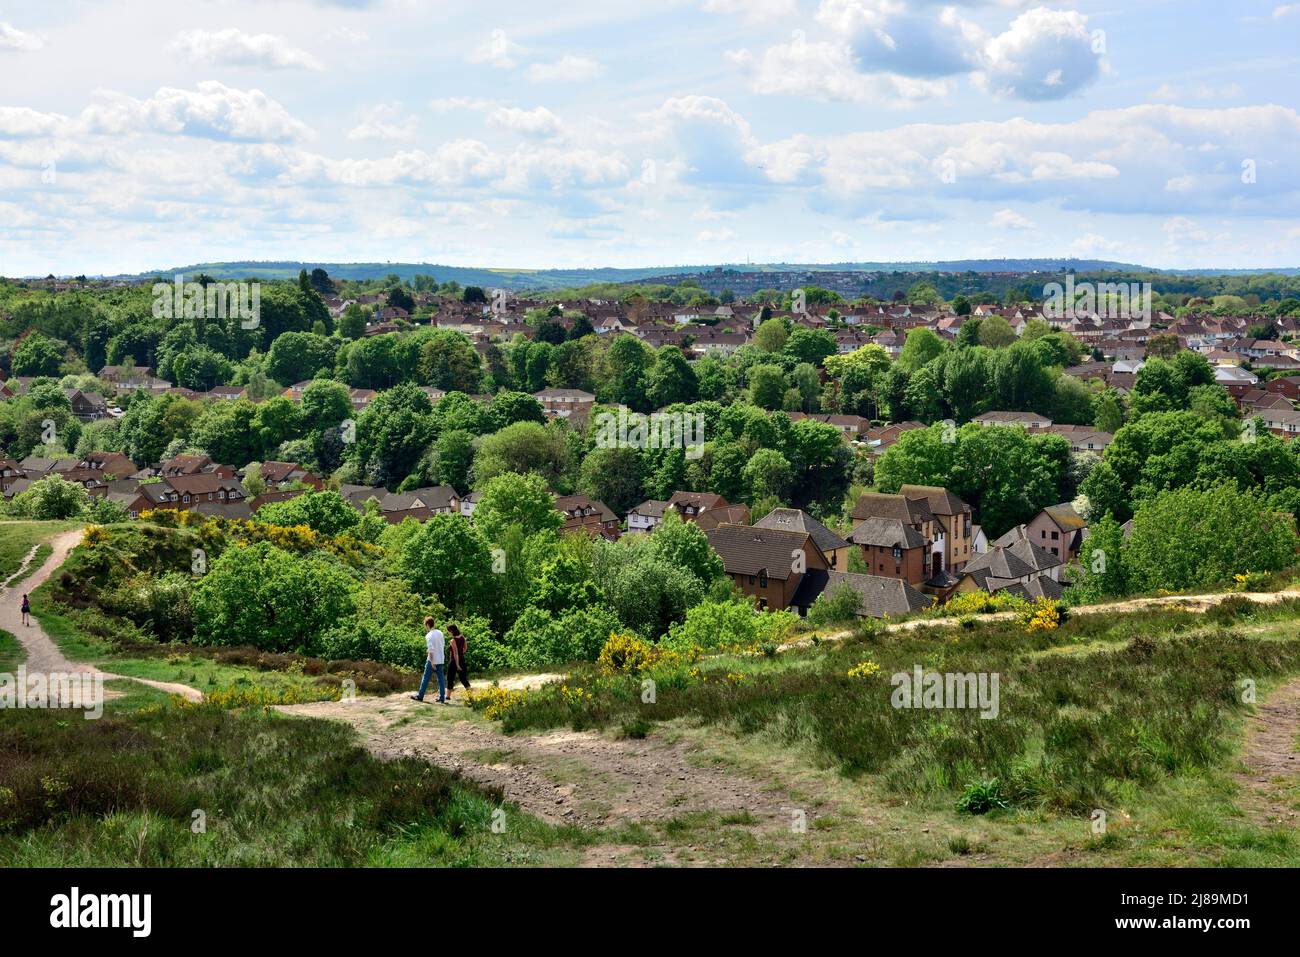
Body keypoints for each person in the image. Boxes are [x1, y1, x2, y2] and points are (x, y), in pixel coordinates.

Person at [410, 616, 446, 704]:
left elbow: (431, 650)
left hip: (432, 660)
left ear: (427, 625)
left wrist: (432, 662)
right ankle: (442, 697)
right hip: (441, 659)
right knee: (441, 679)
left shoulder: (429, 635)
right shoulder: (440, 632)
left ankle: (420, 696)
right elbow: (442, 645)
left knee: (425, 678)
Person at [444, 625, 470, 700]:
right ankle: (470, 696)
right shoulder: (462, 637)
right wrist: (461, 654)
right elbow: (465, 648)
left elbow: (455, 653)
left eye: (449, 631)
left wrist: (457, 664)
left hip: (454, 662)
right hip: (462, 660)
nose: (448, 633)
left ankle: (448, 696)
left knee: (450, 678)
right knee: (463, 679)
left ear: (451, 631)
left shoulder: (453, 641)